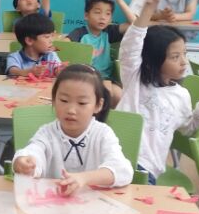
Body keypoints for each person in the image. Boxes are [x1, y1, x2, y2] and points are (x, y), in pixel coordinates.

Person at [117, 0, 199, 184]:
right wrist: (149, 7)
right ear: (154, 59)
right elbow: (132, 43)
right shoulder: (135, 78)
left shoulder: (181, 95)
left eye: (185, 54)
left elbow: (188, 128)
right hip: (121, 160)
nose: (184, 62)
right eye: (175, 57)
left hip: (149, 170)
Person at [12, 64, 133, 193]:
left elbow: (122, 170)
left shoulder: (103, 134)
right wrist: (25, 163)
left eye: (82, 103)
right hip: (52, 203)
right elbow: (34, 151)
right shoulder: (47, 133)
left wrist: (84, 178)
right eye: (64, 100)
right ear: (54, 100)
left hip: (94, 203)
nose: (71, 110)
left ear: (98, 105)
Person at [67, 0, 133, 105]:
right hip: (84, 79)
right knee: (100, 95)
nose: (103, 17)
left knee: (119, 96)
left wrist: (119, 0)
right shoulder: (80, 33)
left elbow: (134, 24)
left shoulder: (109, 32)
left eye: (108, 14)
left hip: (106, 79)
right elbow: (65, 44)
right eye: (97, 12)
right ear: (86, 15)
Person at [6, 13, 61, 78]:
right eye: (47, 37)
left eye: (52, 36)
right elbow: (12, 71)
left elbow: (57, 69)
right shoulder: (15, 57)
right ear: (29, 40)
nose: (51, 40)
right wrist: (29, 72)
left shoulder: (51, 55)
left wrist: (60, 70)